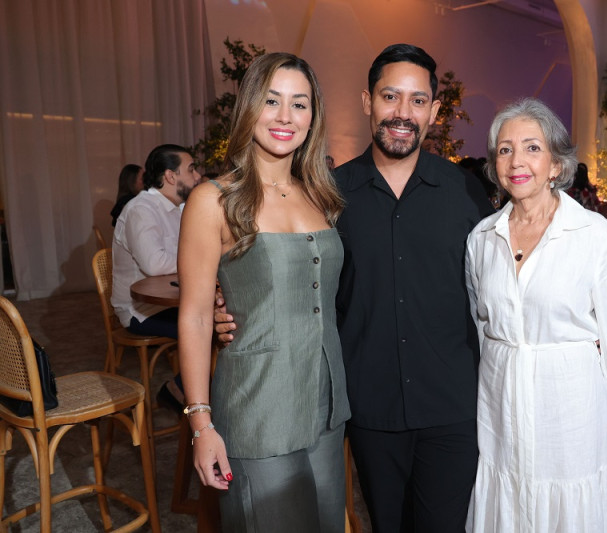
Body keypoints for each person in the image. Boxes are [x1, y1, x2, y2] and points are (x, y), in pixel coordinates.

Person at [215, 43, 493, 531]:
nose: (402, 113)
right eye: (390, 96)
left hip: (451, 404)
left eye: (417, 100)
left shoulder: (468, 194)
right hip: (367, 406)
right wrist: (234, 305)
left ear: (434, 109)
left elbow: (498, 288)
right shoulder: (327, 194)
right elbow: (293, 277)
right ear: (368, 101)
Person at [178, 53, 350, 531]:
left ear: (313, 116)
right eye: (271, 101)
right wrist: (201, 424)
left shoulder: (321, 195)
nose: (285, 117)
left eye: (300, 104)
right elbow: (193, 316)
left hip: (326, 407)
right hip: (258, 408)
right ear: (250, 106)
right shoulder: (213, 199)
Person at [465, 98, 607, 531]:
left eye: (532, 148)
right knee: (507, 491)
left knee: (567, 498)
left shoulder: (593, 235)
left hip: (570, 398)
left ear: (556, 165)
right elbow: (479, 317)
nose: (516, 161)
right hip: (499, 392)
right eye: (505, 149)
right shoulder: (482, 238)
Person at [111, 144, 200, 340]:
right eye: (191, 169)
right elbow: (154, 264)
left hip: (173, 299)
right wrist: (200, 258)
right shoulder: (141, 210)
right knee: (206, 330)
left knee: (224, 320)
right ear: (170, 176)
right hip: (142, 310)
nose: (197, 176)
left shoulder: (180, 208)